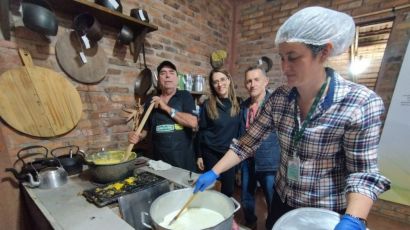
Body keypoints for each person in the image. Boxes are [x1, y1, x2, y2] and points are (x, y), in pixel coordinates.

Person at [194, 6, 391, 230]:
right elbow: (247, 143)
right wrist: (215, 171)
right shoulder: (280, 99)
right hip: (283, 200)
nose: (284, 67)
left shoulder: (359, 103)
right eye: (282, 57)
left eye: (293, 57)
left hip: (325, 209)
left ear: (324, 52)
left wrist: (354, 219)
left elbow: (362, 173)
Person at [128, 60, 198, 172]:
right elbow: (145, 130)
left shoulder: (185, 96)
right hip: (158, 162)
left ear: (177, 78)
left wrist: (165, 107)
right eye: (163, 73)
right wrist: (137, 136)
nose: (167, 76)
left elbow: (193, 122)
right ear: (158, 79)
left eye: (171, 72)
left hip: (183, 161)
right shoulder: (151, 101)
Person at [239, 64, 280, 229]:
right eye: (249, 81)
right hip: (247, 160)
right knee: (246, 196)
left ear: (266, 82)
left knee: (272, 198)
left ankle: (274, 226)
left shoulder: (275, 104)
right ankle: (251, 223)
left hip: (269, 161)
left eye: (256, 80)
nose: (252, 84)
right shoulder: (243, 106)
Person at [195, 68, 241, 197]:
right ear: (212, 85)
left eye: (222, 80)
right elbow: (201, 131)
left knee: (228, 190)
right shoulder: (208, 104)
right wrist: (199, 155)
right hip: (210, 152)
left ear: (229, 80)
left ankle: (226, 215)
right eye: (215, 82)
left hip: (229, 154)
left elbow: (239, 132)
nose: (220, 84)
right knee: (210, 188)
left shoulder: (238, 103)